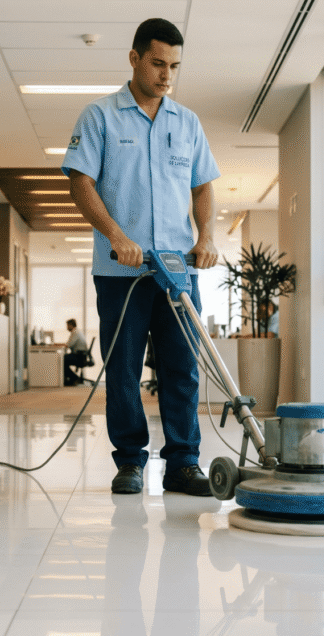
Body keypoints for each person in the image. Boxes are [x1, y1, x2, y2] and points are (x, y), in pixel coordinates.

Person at [63, 18, 220, 497]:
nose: (167, 75)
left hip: (177, 272)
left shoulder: (187, 122)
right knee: (125, 368)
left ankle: (182, 464)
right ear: (134, 59)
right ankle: (130, 461)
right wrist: (115, 233)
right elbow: (79, 182)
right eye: (157, 63)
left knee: (181, 368)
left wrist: (207, 235)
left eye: (174, 65)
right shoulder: (100, 117)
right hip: (121, 270)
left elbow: (202, 184)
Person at [63, 318, 89, 386]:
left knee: (61, 360)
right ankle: (71, 379)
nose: (67, 327)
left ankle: (75, 378)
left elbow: (68, 345)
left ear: (71, 325)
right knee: (63, 358)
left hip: (79, 356)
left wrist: (57, 345)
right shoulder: (77, 331)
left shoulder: (75, 332)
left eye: (67, 325)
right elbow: (69, 344)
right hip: (80, 355)